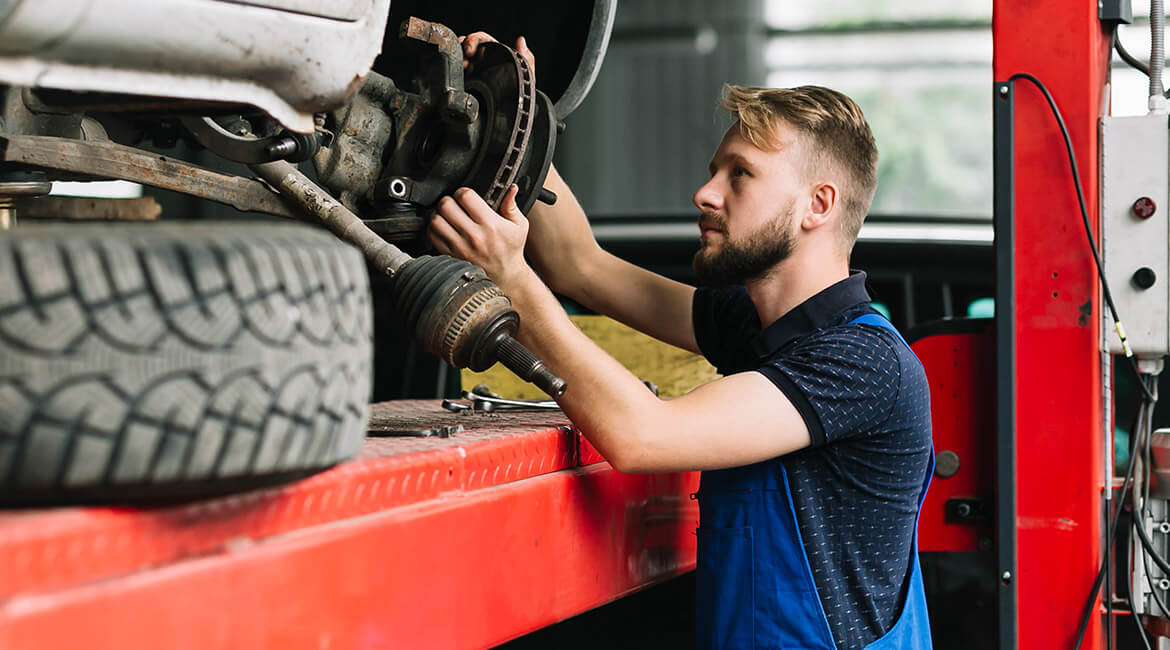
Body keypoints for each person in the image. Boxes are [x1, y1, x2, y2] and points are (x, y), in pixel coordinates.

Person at [430, 33, 934, 650]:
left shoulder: (861, 363)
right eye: (714, 171)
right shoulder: (756, 328)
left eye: (740, 175)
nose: (706, 193)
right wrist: (523, 117)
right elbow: (582, 268)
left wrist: (510, 278)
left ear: (817, 205)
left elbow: (643, 436)